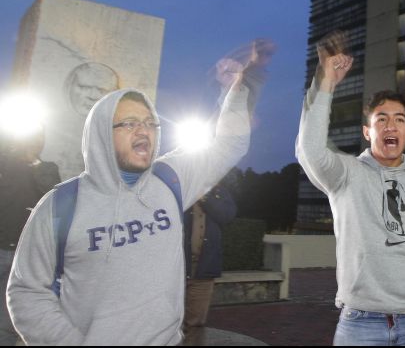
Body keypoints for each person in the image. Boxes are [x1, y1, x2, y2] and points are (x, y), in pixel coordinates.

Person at [6, 41, 270, 345]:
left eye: (149, 123)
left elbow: (228, 145)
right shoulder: (60, 205)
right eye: (129, 124)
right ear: (103, 133)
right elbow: (26, 291)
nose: (143, 131)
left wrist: (236, 91)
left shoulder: (170, 179)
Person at [295, 31, 405, 346]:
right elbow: (310, 150)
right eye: (381, 119)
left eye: (398, 119)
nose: (390, 125)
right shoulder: (347, 175)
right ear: (368, 132)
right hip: (359, 323)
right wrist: (325, 82)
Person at [0, 129, 61, 346]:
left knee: (7, 322)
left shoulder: (47, 169)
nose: (36, 140)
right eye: (31, 134)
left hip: (23, 257)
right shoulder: (4, 164)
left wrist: (34, 162)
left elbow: (54, 200)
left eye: (40, 136)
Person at [182, 169, 238, 340]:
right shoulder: (183, 190)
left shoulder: (221, 194)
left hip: (203, 271)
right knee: (168, 321)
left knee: (196, 323)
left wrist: (204, 196)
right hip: (176, 271)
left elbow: (226, 216)